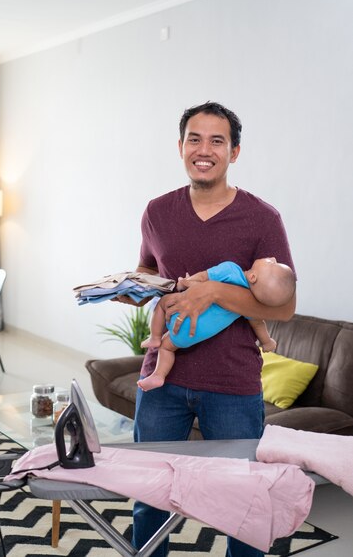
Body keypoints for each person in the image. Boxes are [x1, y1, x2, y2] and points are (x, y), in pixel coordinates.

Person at [116, 101, 296, 557]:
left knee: (245, 502)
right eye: (195, 139)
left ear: (234, 153)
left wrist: (213, 292)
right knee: (150, 498)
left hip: (232, 386)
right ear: (180, 147)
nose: (204, 149)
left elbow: (286, 307)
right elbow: (147, 269)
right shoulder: (157, 211)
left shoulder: (262, 218)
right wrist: (127, 288)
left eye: (217, 141)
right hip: (162, 380)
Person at [138, 257, 295, 392]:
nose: (273, 258)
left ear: (253, 277)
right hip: (192, 336)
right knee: (168, 347)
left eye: (270, 263)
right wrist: (267, 342)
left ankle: (155, 337)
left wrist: (185, 282)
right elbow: (259, 324)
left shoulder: (231, 270)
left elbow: (202, 278)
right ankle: (159, 375)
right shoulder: (245, 305)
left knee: (161, 305)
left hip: (180, 315)